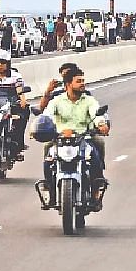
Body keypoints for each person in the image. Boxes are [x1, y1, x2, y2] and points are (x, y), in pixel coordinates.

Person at [42, 67, 109, 208]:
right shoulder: (57, 101)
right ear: (68, 84)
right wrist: (38, 127)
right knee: (48, 153)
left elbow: (96, 114)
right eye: (79, 81)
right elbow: (46, 115)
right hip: (60, 140)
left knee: (97, 151)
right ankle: (50, 189)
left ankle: (96, 188)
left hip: (84, 139)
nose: (82, 84)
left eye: (83, 81)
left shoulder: (89, 100)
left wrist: (101, 124)